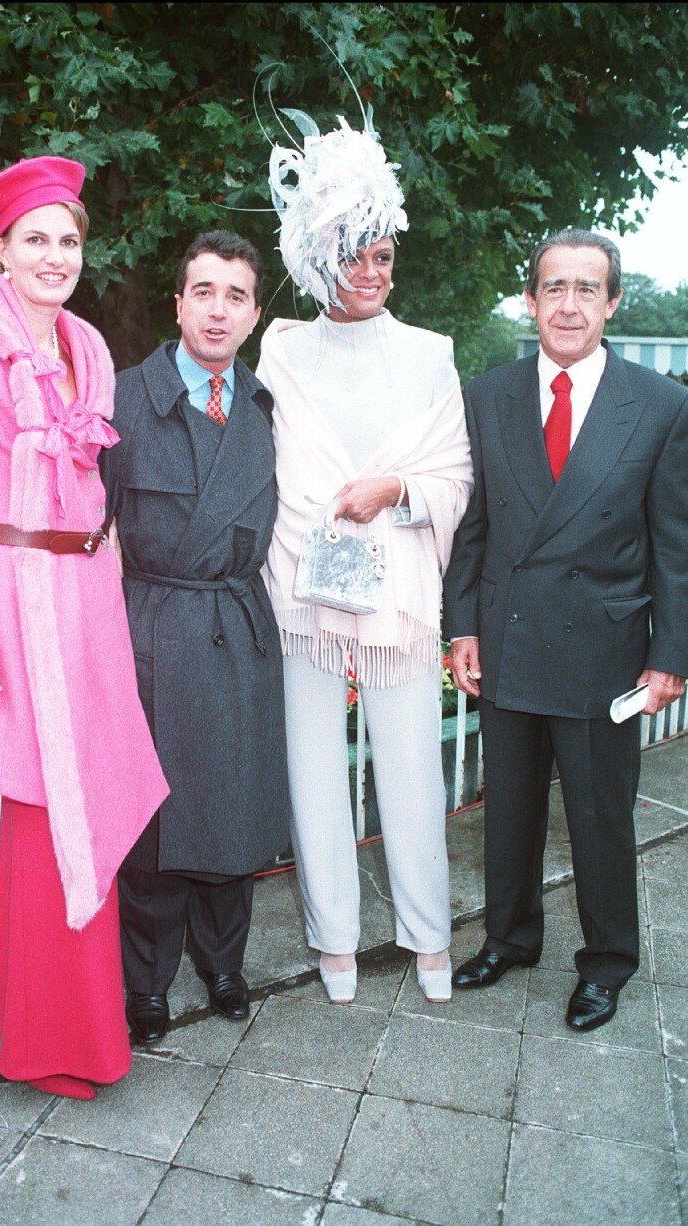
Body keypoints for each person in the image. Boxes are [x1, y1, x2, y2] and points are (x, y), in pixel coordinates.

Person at [0, 156, 169, 1099]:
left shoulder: (88, 350)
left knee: (89, 800)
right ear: (1, 251)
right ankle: (46, 1043)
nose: (55, 256)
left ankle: (88, 1032)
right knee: (34, 816)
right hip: (8, 614)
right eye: (36, 240)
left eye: (69, 240)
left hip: (84, 608)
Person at [443, 229, 687, 1031]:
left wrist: (670, 657)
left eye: (588, 288)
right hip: (510, 639)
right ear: (531, 300)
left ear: (613, 302)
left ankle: (608, 962)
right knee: (506, 807)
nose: (570, 304)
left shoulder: (659, 404)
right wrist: (462, 627)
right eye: (555, 288)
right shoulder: (489, 395)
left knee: (598, 816)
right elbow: (473, 528)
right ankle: (510, 939)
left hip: (602, 649)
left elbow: (673, 545)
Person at [257, 111, 473, 1005]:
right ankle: (332, 940)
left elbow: (455, 474)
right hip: (299, 596)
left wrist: (396, 491)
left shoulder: (432, 357)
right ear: (317, 259)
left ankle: (429, 938)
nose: (374, 272)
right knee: (314, 771)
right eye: (355, 254)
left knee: (413, 771)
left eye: (384, 255)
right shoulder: (278, 349)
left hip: (400, 602)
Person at [100, 230, 290, 1044]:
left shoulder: (264, 407)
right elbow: (86, 525)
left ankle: (223, 964)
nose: (218, 310)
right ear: (178, 304)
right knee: (153, 821)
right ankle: (146, 980)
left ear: (253, 315)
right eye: (203, 291)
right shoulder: (119, 399)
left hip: (240, 626)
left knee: (234, 808)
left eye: (236, 296)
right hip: (150, 627)